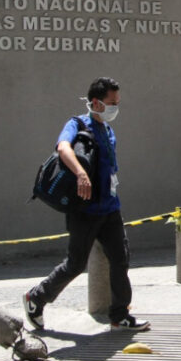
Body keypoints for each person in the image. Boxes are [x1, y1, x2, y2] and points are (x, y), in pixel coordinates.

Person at [24, 77, 150, 332]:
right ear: (96, 102)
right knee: (76, 264)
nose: (116, 107)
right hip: (84, 209)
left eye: (118, 102)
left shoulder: (107, 129)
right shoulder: (77, 123)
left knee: (121, 259)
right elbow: (63, 148)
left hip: (110, 207)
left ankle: (119, 315)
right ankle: (36, 297)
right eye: (111, 103)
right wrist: (81, 173)